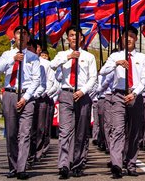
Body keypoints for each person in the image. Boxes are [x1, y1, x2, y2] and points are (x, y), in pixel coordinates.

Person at [100, 25, 145, 178]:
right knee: (117, 130)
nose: (128, 39)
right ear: (121, 39)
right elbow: (102, 71)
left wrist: (134, 93)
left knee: (134, 132)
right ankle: (116, 165)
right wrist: (116, 63)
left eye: (132, 36)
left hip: (135, 96)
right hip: (118, 96)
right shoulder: (115, 56)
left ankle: (131, 163)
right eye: (125, 36)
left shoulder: (143, 58)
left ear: (136, 38)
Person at [49, 26, 97, 179]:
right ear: (67, 39)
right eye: (71, 35)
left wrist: (82, 91)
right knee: (65, 131)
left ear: (82, 38)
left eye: (77, 35)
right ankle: (63, 165)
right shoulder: (62, 54)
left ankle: (77, 163)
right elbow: (52, 65)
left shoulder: (89, 57)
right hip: (66, 94)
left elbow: (93, 78)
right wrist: (68, 57)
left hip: (82, 96)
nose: (74, 38)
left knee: (81, 132)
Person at [0, 26, 41, 180]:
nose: (21, 37)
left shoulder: (34, 58)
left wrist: (26, 97)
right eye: (18, 34)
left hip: (26, 97)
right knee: (12, 133)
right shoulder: (6, 54)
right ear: (13, 37)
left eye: (24, 34)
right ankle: (13, 167)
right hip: (10, 94)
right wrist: (12, 60)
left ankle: (21, 168)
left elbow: (36, 80)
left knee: (25, 133)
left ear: (28, 38)